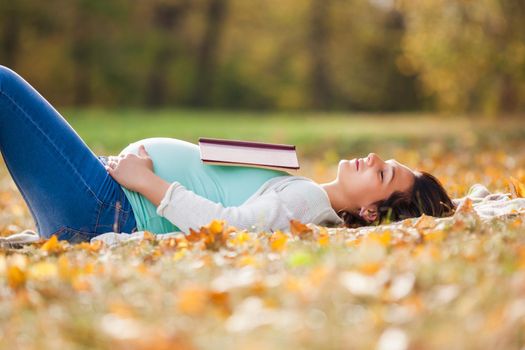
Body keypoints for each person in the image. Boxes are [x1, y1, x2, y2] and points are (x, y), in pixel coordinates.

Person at [0, 65, 455, 242]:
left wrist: (145, 181)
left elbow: (229, 228)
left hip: (108, 206)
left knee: (4, 87)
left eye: (381, 175)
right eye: (383, 162)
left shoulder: (308, 203)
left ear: (371, 213)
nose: (373, 158)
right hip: (104, 194)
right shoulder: (306, 190)